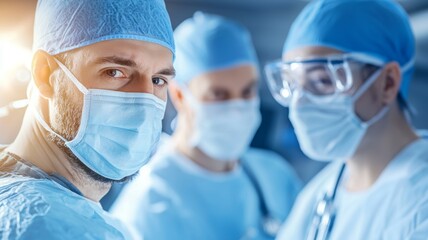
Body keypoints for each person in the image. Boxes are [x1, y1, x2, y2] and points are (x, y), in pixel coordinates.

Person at [111, 12, 302, 240]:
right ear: (180, 96)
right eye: (219, 95)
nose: (237, 107)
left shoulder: (275, 176)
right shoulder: (149, 206)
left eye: (247, 91)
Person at [0, 0, 175, 239]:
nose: (143, 101)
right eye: (115, 72)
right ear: (45, 74)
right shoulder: (46, 227)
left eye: (158, 80)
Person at [263, 0, 428, 239]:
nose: (299, 105)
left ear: (388, 83)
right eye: (294, 85)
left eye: (321, 81)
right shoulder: (322, 192)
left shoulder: (419, 196)